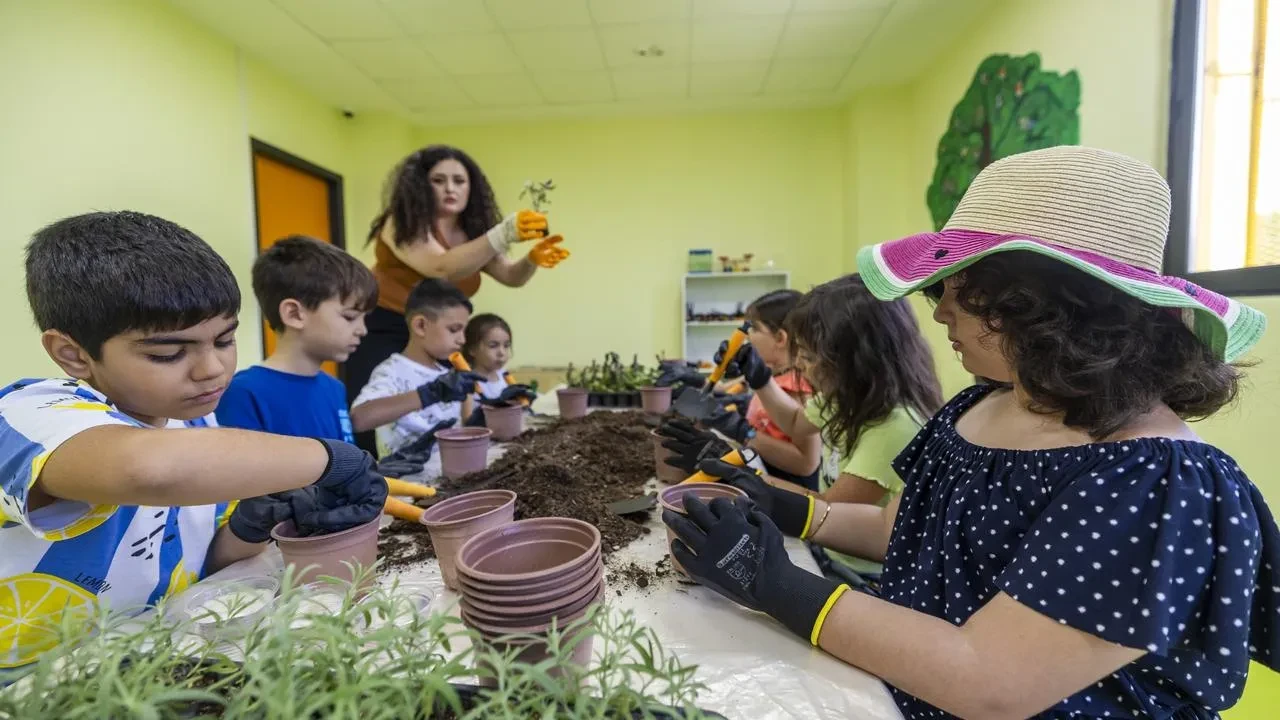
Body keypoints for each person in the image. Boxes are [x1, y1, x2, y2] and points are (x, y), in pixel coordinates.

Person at [662, 147, 1279, 719]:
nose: (938, 309)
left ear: (1044, 304)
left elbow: (989, 680)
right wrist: (783, 505)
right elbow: (892, 528)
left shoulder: (1156, 484)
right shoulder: (981, 405)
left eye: (960, 287)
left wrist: (773, 582)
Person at [0, 212, 387, 670]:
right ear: (73, 354)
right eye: (169, 353)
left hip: (159, 665)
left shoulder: (193, 423)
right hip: (41, 686)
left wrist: (251, 522)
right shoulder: (27, 414)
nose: (212, 369)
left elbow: (211, 558)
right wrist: (330, 459)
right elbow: (148, 470)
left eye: (224, 340)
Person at [662, 275, 943, 588]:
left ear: (857, 361)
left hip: (862, 576)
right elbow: (796, 423)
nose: (802, 367)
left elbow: (827, 509)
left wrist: (742, 472)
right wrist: (760, 379)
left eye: (809, 357)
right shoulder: (849, 399)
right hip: (826, 551)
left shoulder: (894, 427)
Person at [344, 145, 569, 452]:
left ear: (471, 188)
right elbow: (440, 267)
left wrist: (532, 259)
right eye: (438, 180)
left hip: (439, 333)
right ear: (421, 185)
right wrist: (502, 234)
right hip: (384, 327)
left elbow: (510, 276)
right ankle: (368, 482)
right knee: (376, 415)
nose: (450, 188)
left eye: (459, 181)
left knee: (444, 406)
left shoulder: (472, 234)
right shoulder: (402, 222)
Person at [215, 236, 377, 442]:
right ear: (294, 314)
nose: (362, 330)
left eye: (364, 319)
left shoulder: (334, 389)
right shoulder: (244, 393)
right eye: (350, 317)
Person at [698, 290, 819, 489]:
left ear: (780, 338)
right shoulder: (774, 376)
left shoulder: (797, 387)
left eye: (754, 328)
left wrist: (744, 432)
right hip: (763, 477)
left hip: (787, 491)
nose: (747, 337)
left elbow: (806, 464)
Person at [350, 278, 482, 459]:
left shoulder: (448, 378)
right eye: (454, 329)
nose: (462, 340)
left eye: (463, 331)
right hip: (408, 481)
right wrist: (428, 395)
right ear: (420, 325)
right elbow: (359, 419)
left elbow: (464, 428)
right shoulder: (392, 371)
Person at [461, 313, 536, 409]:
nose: (502, 353)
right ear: (472, 349)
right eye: (493, 346)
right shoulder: (467, 382)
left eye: (506, 346)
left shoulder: (503, 374)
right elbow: (468, 421)